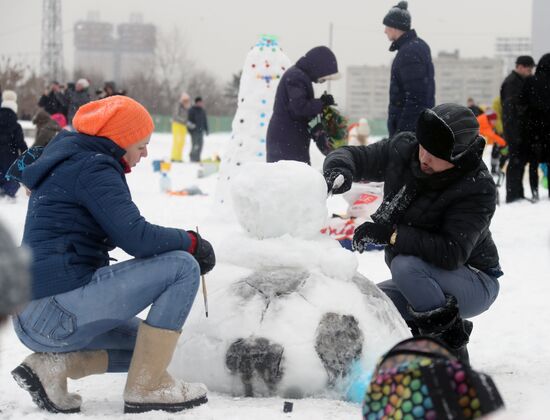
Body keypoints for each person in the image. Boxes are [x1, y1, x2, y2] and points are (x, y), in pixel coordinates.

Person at [10, 95, 216, 414]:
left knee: (147, 348)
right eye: (141, 144)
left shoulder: (77, 159)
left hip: (39, 313)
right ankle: (149, 387)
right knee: (182, 266)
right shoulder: (92, 167)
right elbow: (137, 237)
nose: (146, 152)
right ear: (121, 140)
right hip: (54, 310)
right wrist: (191, 242)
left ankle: (53, 366)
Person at [323, 103, 502, 363]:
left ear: (457, 156)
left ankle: (449, 348)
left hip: (475, 279)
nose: (424, 158)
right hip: (423, 276)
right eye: (423, 147)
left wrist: (391, 235)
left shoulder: (477, 188)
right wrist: (339, 168)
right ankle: (420, 337)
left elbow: (451, 252)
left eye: (435, 154)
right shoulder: (404, 150)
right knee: (371, 303)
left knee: (405, 266)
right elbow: (358, 156)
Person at [266, 45, 340, 164]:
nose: (323, 81)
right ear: (318, 67)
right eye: (324, 77)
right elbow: (299, 106)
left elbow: (300, 105)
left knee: (297, 176)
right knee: (291, 177)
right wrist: (321, 103)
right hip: (286, 141)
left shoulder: (299, 75)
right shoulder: (296, 77)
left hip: (289, 139)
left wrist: (320, 104)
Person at [383, 1, 435, 137]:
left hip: (409, 133)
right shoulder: (416, 46)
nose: (385, 31)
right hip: (417, 128)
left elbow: (416, 97)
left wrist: (402, 134)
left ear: (394, 27)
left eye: (386, 26)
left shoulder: (409, 52)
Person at [501, 55, 536, 203]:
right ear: (520, 67)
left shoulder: (520, 81)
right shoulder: (512, 83)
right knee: (516, 162)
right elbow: (512, 109)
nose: (530, 71)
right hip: (514, 130)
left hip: (520, 129)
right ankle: (513, 195)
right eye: (529, 69)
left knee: (520, 162)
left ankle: (518, 194)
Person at [519, 53, 550, 201]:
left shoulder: (530, 81)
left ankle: (535, 192)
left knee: (533, 163)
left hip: (534, 129)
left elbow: (521, 103)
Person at [0, 90, 27, 199]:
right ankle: (8, 193)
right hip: (10, 154)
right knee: (10, 173)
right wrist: (26, 152)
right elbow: (20, 142)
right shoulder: (16, 126)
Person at [476, 109, 507, 175]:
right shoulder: (485, 124)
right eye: (494, 120)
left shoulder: (484, 119)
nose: (495, 122)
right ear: (490, 119)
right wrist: (504, 143)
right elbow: (492, 136)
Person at [171, 92, 192, 162]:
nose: (186, 101)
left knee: (182, 142)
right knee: (177, 140)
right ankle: (174, 157)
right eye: (185, 100)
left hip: (183, 126)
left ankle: (179, 158)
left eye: (187, 100)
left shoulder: (187, 107)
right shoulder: (178, 106)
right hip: (176, 124)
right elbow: (176, 116)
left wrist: (187, 122)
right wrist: (185, 121)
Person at [188, 97, 209, 163]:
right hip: (194, 131)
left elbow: (205, 121)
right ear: (196, 102)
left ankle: (197, 158)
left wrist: (206, 129)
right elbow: (188, 121)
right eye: (200, 102)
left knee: (200, 145)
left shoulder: (202, 110)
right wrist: (191, 130)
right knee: (195, 145)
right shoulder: (192, 110)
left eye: (201, 102)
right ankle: (192, 158)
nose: (201, 104)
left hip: (200, 131)